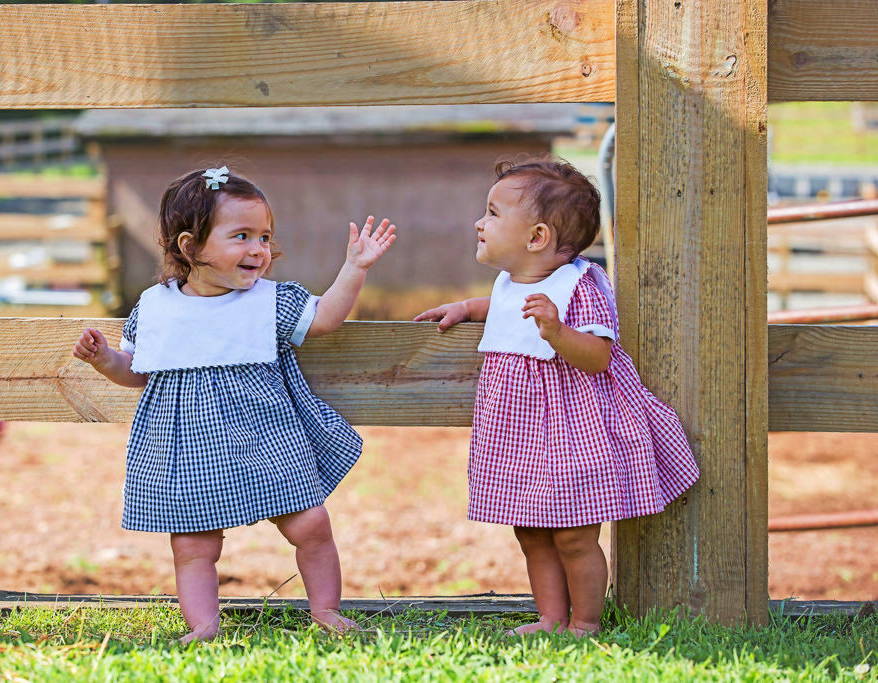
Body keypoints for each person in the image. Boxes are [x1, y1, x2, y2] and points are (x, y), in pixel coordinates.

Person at [73, 166, 396, 643]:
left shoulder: (270, 301)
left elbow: (326, 318)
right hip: (188, 448)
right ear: (190, 247)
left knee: (311, 524)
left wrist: (355, 268)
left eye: (264, 236)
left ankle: (326, 610)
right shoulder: (156, 307)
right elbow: (137, 371)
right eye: (241, 235)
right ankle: (203, 625)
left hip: (266, 438)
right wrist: (105, 360)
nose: (258, 249)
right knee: (193, 546)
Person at [415, 159, 698, 638]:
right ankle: (549, 618)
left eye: (492, 213)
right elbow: (504, 307)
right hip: (517, 433)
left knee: (573, 533)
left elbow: (599, 357)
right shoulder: (510, 281)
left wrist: (557, 332)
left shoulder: (579, 286)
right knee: (529, 529)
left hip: (570, 429)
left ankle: (585, 622)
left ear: (537, 238)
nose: (478, 223)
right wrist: (467, 307)